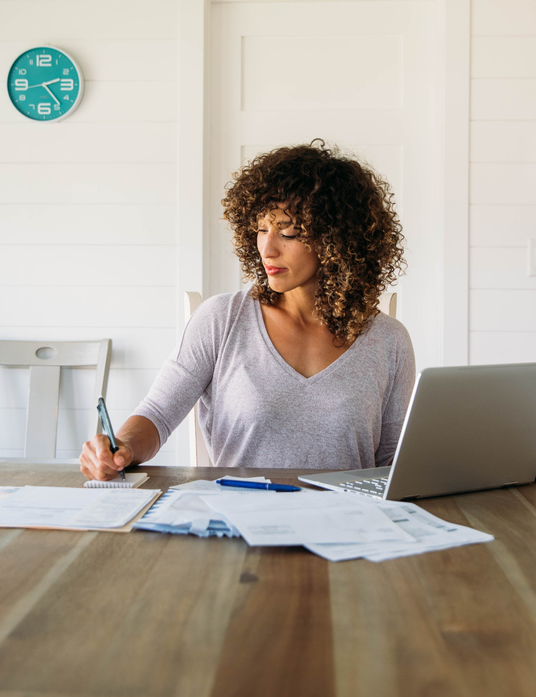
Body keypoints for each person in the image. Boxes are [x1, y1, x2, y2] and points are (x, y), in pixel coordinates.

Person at [80, 141, 415, 481]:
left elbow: (393, 464)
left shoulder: (389, 340)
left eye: (289, 232)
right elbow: (157, 415)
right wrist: (120, 447)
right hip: (239, 522)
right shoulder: (221, 319)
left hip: (347, 525)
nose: (267, 249)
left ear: (337, 240)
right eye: (261, 229)